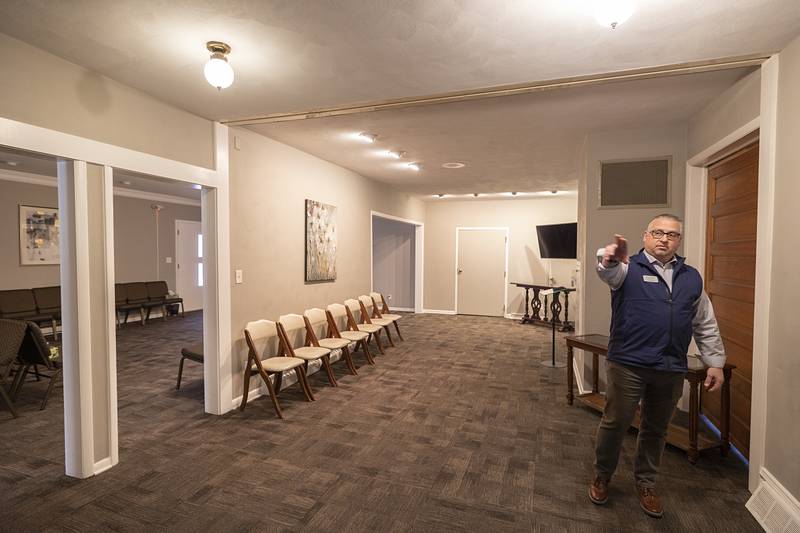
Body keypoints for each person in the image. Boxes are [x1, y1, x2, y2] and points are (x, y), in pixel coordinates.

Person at [589, 214, 725, 518]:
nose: (665, 239)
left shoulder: (691, 277)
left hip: (670, 366)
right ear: (646, 236)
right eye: (658, 233)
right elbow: (606, 269)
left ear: (679, 240)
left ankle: (646, 482)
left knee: (656, 429)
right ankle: (602, 474)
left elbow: (705, 322)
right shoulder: (627, 268)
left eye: (672, 235)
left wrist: (715, 362)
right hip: (629, 363)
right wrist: (608, 258)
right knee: (616, 422)